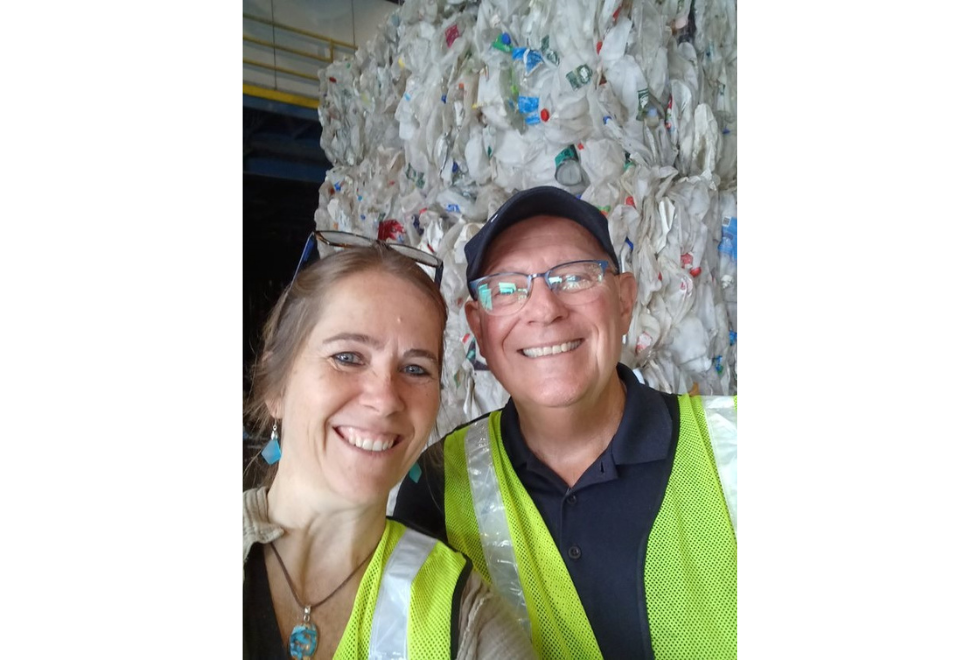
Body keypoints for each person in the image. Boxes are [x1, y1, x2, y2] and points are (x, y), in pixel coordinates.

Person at [393, 186, 738, 660]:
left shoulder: (728, 447)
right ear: (478, 328)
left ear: (623, 299)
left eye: (574, 278)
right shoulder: (437, 484)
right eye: (508, 288)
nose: (545, 310)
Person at [242, 235, 536, 660]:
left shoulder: (465, 616)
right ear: (277, 386)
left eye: (415, 369)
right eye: (348, 357)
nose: (384, 400)